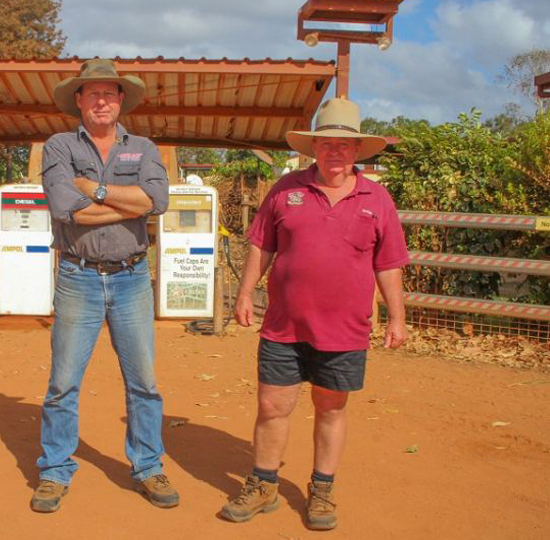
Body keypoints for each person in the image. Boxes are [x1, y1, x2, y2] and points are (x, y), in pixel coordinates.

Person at [221, 98, 410, 530]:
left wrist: (397, 317)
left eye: (344, 145)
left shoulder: (377, 199)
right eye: (327, 144)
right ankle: (263, 483)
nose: (335, 152)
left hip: (344, 331)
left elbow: (389, 264)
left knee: (331, 408)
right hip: (284, 325)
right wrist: (245, 292)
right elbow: (261, 245)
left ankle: (322, 490)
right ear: (314, 148)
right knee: (272, 405)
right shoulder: (286, 189)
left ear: (357, 150)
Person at [30, 58, 175, 513]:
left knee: (145, 383)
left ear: (120, 100)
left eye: (108, 93)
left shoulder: (144, 147)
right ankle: (54, 470)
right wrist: (131, 204)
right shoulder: (58, 146)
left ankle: (148, 465)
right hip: (79, 276)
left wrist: (92, 189)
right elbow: (63, 208)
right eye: (92, 93)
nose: (101, 101)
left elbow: (160, 201)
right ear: (78, 99)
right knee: (63, 383)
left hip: (133, 277)